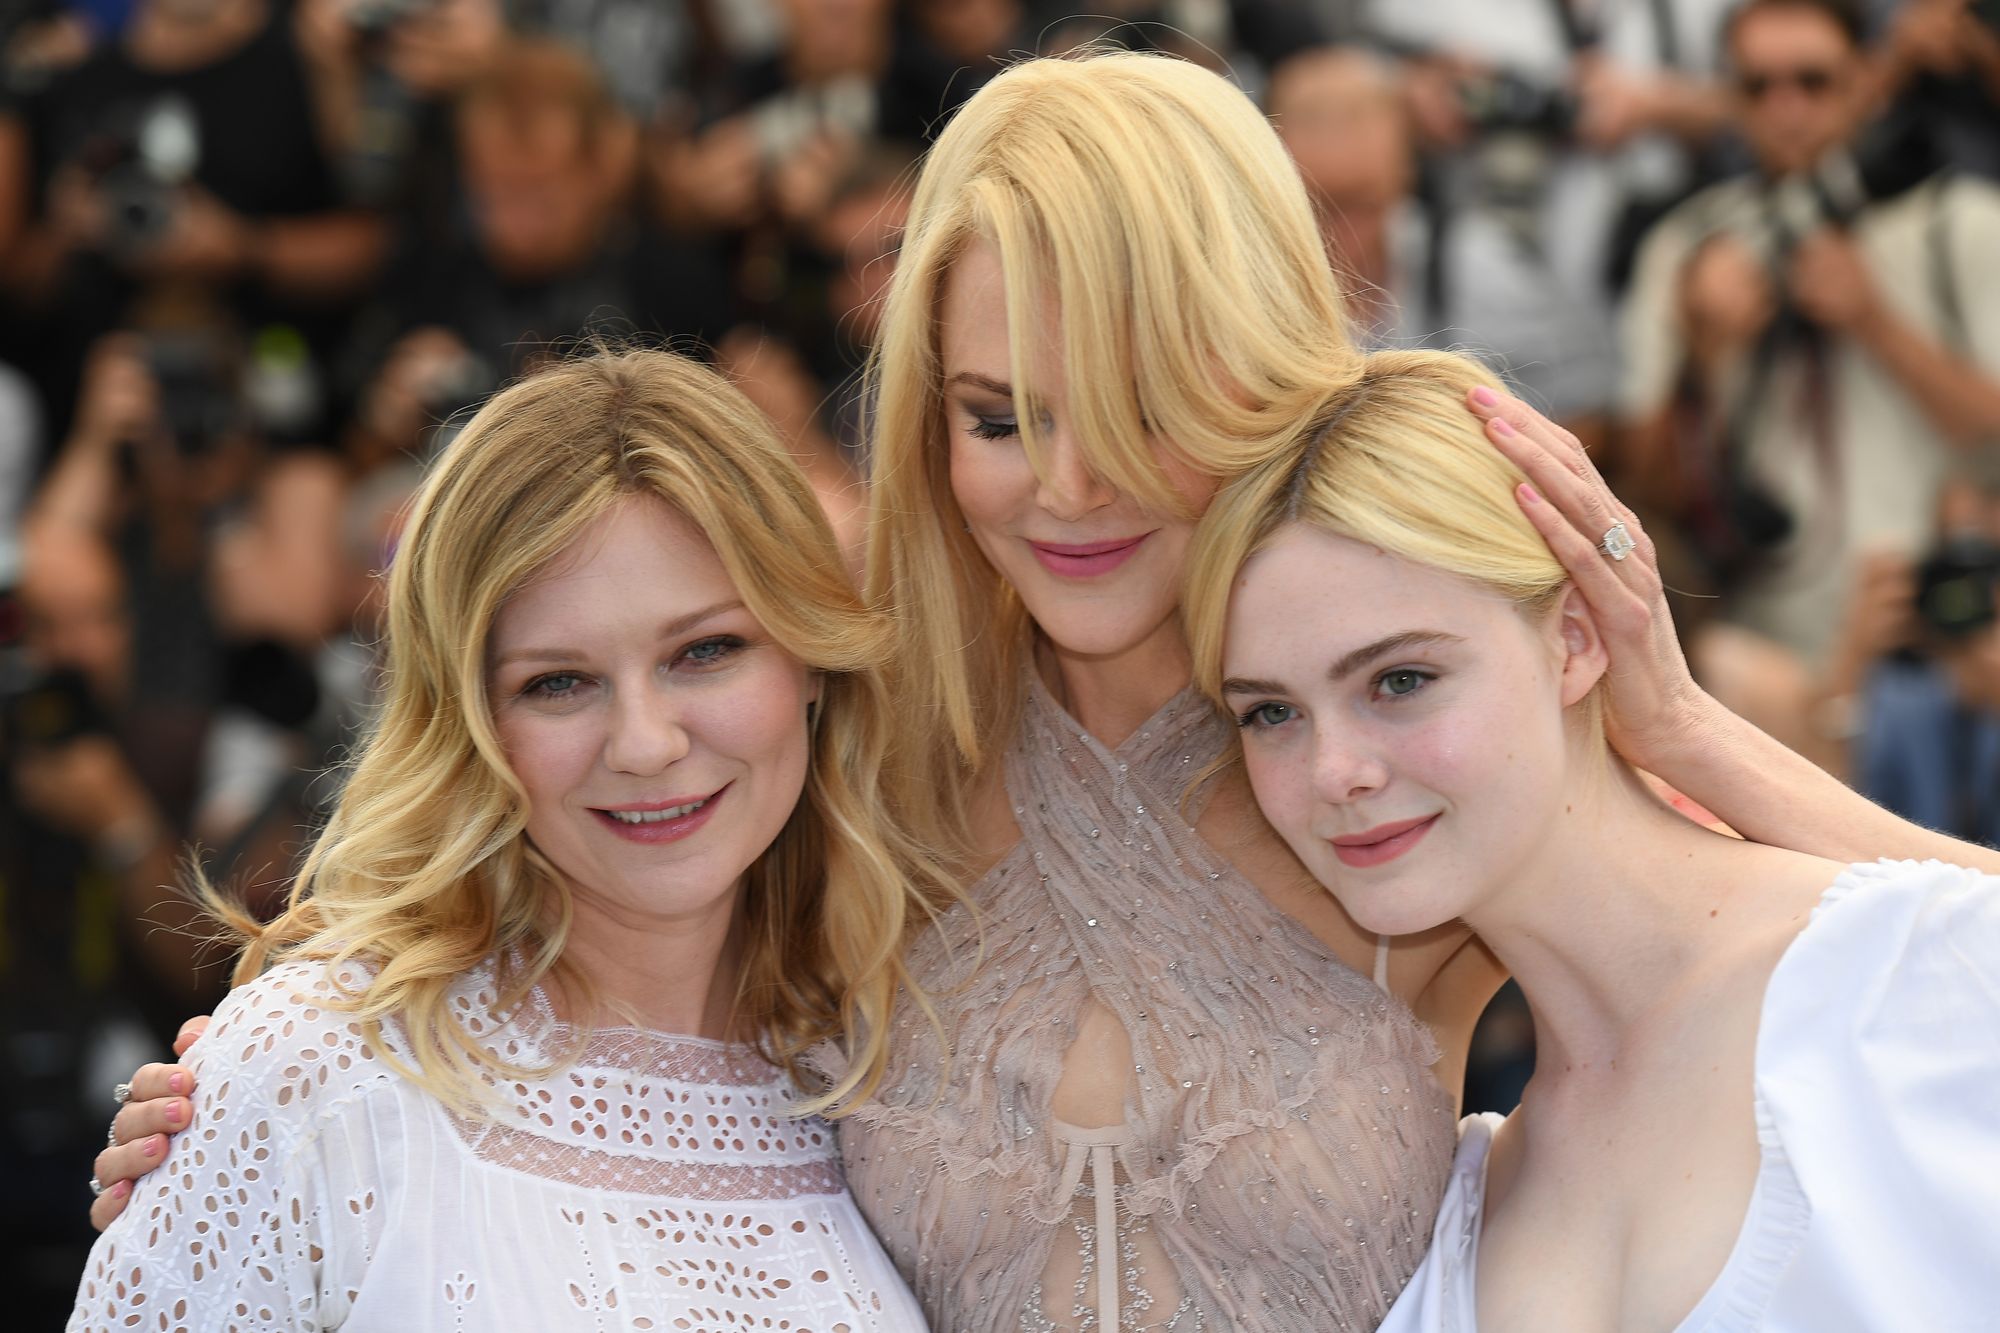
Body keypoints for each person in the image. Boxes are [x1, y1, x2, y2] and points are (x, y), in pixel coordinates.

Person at [96, 49, 1999, 1333]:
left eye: (1124, 405)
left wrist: (1675, 730)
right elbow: (558, 888)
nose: (1061, 489)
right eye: (997, 416)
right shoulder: (861, 743)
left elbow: (1917, 980)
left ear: (1237, 365)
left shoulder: (1369, 763)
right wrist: (265, 1097)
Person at [70, 347, 944, 1329]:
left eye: (706, 650)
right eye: (557, 682)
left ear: (810, 661)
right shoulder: (313, 1069)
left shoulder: (888, 1076)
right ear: (470, 723)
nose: (647, 743)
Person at [1186, 346, 2000, 1330]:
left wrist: (1685, 729)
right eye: (1270, 712)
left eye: (1398, 680)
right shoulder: (1462, 1201)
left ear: (1574, 637)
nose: (1333, 770)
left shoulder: (1895, 979)